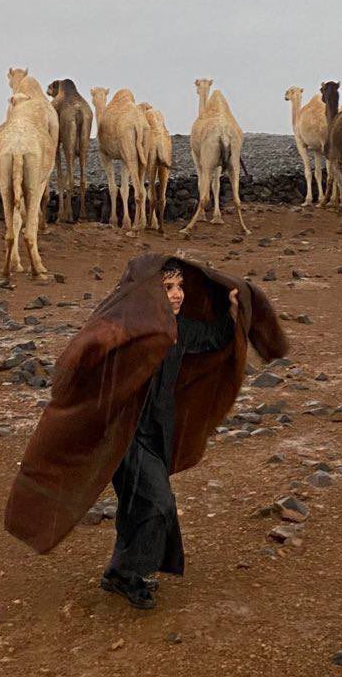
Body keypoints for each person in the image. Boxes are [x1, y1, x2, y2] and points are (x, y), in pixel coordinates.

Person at [99, 257, 239, 610]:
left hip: (157, 432)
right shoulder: (127, 331)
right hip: (125, 435)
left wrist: (236, 310)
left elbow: (215, 337)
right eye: (167, 288)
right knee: (159, 502)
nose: (177, 295)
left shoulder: (180, 329)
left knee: (136, 505)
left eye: (179, 288)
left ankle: (119, 572)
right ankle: (132, 574)